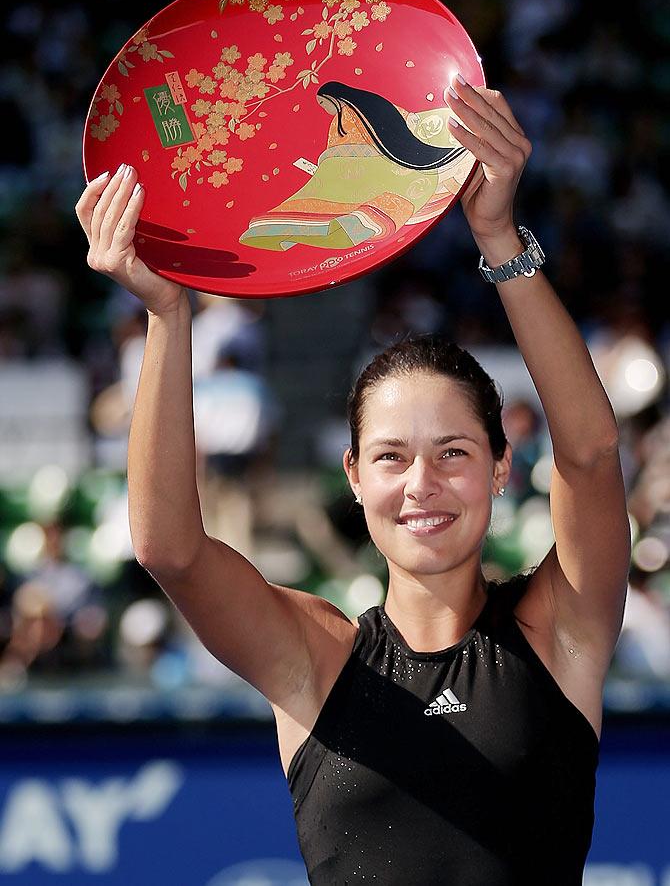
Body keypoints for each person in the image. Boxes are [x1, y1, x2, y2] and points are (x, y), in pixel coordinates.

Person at [75, 75, 630, 884]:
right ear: (354, 475)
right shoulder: (317, 658)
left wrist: (500, 240)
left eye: (453, 453)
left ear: (502, 466)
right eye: (392, 456)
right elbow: (171, 550)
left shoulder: (561, 633)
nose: (422, 483)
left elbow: (590, 454)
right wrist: (169, 316)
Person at [239, 80, 472, 251]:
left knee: (375, 205)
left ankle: (347, 224)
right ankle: (319, 227)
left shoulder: (356, 115)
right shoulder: (348, 117)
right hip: (370, 173)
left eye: (322, 102)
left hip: (387, 175)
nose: (322, 108)